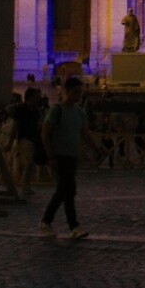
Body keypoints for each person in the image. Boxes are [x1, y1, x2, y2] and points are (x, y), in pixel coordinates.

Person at [41, 76, 90, 238]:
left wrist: (97, 149)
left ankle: (46, 222)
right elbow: (45, 134)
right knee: (68, 190)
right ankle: (73, 227)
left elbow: (84, 134)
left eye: (81, 92)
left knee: (63, 190)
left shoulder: (80, 112)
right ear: (67, 91)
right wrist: (51, 156)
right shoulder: (56, 110)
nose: (79, 96)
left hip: (72, 156)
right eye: (76, 92)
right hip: (59, 156)